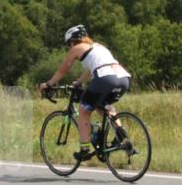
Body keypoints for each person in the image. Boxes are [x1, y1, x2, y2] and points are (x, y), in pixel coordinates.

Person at [38, 25, 132, 161]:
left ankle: (85, 149)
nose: (69, 47)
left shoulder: (77, 48)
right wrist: (79, 82)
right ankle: (121, 138)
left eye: (69, 44)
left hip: (105, 78)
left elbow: (62, 71)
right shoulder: (98, 46)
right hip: (123, 78)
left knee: (83, 110)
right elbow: (90, 70)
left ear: (73, 41)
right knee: (105, 107)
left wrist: (48, 84)